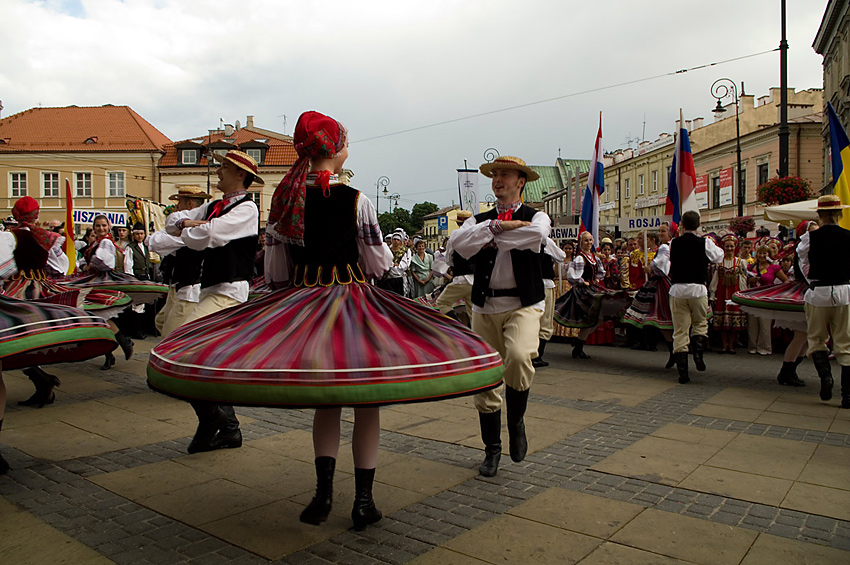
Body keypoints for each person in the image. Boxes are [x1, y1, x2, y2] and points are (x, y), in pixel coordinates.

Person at [147, 111, 503, 530]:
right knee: (366, 401)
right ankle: (364, 501)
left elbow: (276, 267)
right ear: (336, 150)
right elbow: (378, 261)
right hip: (352, 303)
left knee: (327, 401)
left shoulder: (286, 199)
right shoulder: (357, 199)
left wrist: (290, 294)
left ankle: (323, 493)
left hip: (303, 302)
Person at [450, 155, 549, 478]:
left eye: (505, 174)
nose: (497, 179)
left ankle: (516, 420)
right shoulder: (480, 219)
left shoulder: (538, 217)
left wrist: (488, 235)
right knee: (484, 377)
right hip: (484, 305)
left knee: (520, 357)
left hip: (523, 303)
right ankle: (492, 448)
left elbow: (534, 237)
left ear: (521, 182)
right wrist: (499, 226)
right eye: (494, 174)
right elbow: (458, 246)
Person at [164, 149, 262, 454]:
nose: (218, 171)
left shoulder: (247, 209)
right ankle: (223, 424)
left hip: (229, 293)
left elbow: (210, 235)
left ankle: (217, 420)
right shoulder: (214, 206)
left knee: (181, 347)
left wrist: (193, 228)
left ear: (240, 174)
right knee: (198, 358)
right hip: (211, 291)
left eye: (223, 167)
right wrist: (188, 226)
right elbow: (172, 222)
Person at [0, 230, 117, 474]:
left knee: (25, 337)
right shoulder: (28, 235)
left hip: (26, 287)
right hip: (23, 289)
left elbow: (12, 268)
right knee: (22, 338)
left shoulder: (17, 236)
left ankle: (45, 381)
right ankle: (43, 381)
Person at [732, 220, 817, 388]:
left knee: (805, 337)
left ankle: (790, 370)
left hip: (807, 292)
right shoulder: (803, 250)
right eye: (812, 231)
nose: (815, 234)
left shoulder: (805, 249)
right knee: (801, 335)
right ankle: (787, 371)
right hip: (804, 293)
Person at [797, 195, 850, 408]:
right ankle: (847, 395)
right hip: (844, 290)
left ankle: (826, 378)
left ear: (819, 215)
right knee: (845, 344)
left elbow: (803, 265)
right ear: (839, 214)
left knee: (817, 338)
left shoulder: (810, 239)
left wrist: (813, 281)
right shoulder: (849, 236)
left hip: (818, 291)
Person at [554, 231, 629, 359]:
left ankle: (578, 343)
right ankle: (578, 346)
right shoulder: (579, 258)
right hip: (583, 292)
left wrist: (597, 280)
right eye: (586, 240)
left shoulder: (593, 257)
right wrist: (583, 282)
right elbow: (572, 276)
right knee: (590, 319)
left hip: (593, 288)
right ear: (581, 242)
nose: (588, 243)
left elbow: (601, 272)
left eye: (590, 240)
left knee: (597, 318)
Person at [668, 210, 723, 384]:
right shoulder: (704, 242)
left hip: (678, 289)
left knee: (680, 330)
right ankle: (698, 353)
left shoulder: (674, 243)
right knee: (700, 323)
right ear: (699, 225)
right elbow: (719, 256)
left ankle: (683, 372)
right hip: (698, 288)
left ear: (682, 225)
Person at [148, 185, 211, 338]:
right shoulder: (185, 225)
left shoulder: (198, 229)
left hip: (190, 290)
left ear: (189, 205)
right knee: (161, 321)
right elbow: (152, 240)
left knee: (169, 338)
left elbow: (155, 242)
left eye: (179, 203)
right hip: (178, 286)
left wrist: (181, 235)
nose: (176, 207)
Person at [709, 234, 748, 354]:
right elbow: (715, 279)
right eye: (727, 246)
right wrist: (712, 294)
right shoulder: (719, 262)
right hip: (721, 294)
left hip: (734, 294)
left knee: (733, 322)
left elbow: (743, 279)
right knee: (722, 323)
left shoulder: (740, 262)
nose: (729, 249)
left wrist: (743, 294)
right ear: (723, 247)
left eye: (731, 246)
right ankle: (724, 345)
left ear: (735, 247)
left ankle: (731, 345)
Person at [746, 245, 789, 355]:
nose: (762, 255)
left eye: (765, 253)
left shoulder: (774, 268)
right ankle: (752, 346)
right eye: (760, 253)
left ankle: (764, 347)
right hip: (752, 297)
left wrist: (776, 292)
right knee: (752, 323)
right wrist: (750, 280)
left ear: (769, 255)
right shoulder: (751, 267)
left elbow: (786, 281)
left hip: (766, 298)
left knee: (765, 324)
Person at [532, 237, 566, 368]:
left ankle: (530, 353)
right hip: (544, 284)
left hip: (528, 284)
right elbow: (561, 256)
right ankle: (537, 356)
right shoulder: (545, 240)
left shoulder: (522, 237)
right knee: (545, 321)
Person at [435, 210, 474, 323]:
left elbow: (448, 259)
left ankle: (458, 327)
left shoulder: (455, 237)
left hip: (461, 279)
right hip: (476, 280)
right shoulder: (477, 235)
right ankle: (474, 335)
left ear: (458, 223)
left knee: (442, 302)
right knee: (473, 311)